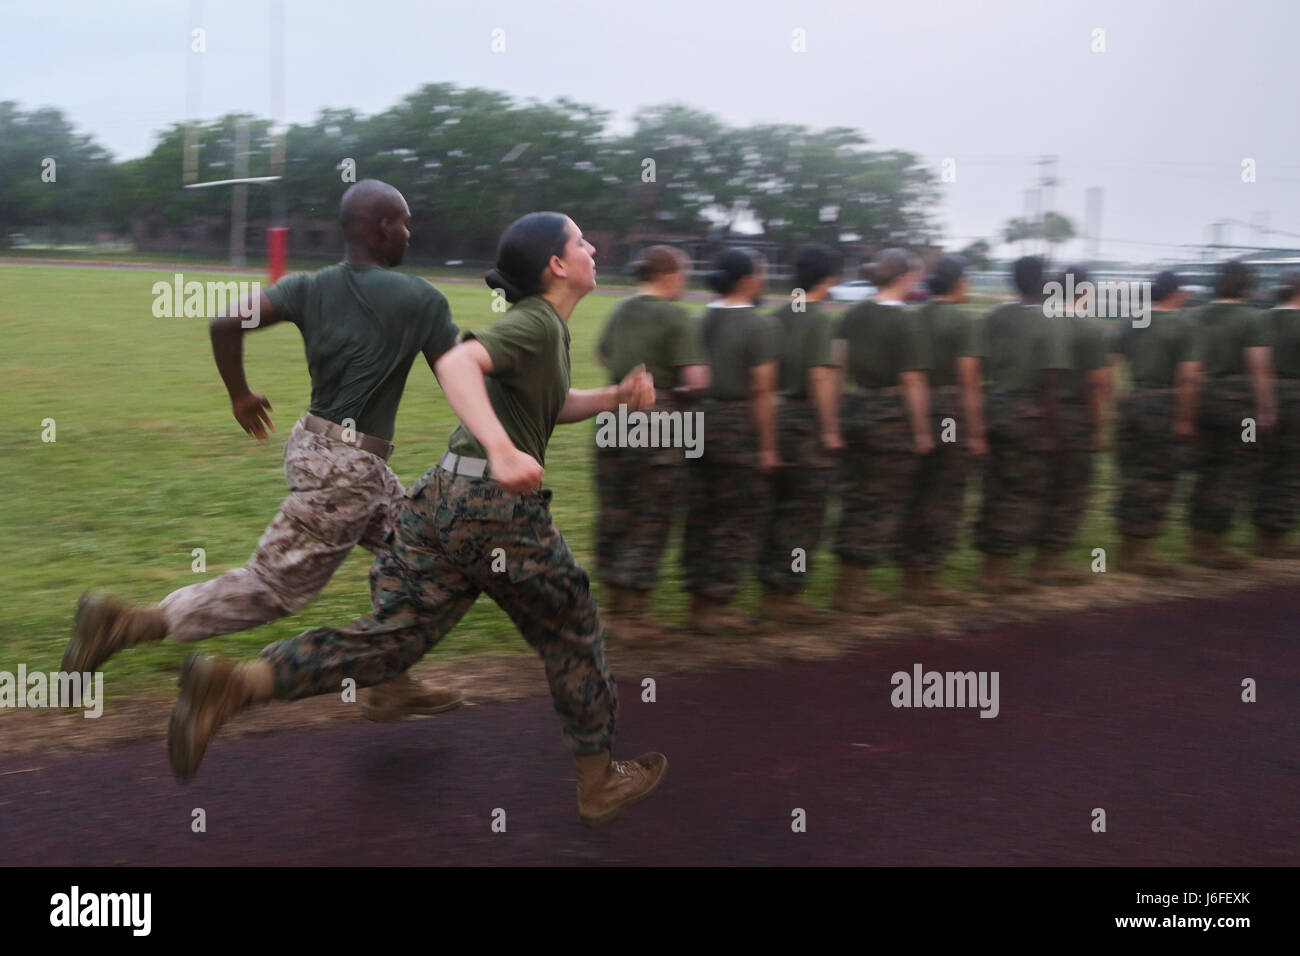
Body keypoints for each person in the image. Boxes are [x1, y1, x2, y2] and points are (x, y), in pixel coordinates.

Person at [165, 212, 668, 828]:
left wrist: (613, 397)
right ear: (557, 266)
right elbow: (457, 365)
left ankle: (235, 686)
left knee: (394, 638)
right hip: (496, 512)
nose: (593, 246)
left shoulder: (545, 329)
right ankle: (598, 783)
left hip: (445, 498)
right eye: (582, 241)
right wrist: (506, 451)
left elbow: (548, 403)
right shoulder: (536, 322)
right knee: (573, 631)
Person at [64, 179, 461, 722]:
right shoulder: (423, 300)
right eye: (405, 223)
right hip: (346, 470)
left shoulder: (306, 287)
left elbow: (225, 321)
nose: (410, 234)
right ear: (383, 227)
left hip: (323, 446)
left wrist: (240, 395)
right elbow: (461, 379)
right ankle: (127, 624)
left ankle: (390, 678)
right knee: (271, 587)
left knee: (416, 550)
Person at [594, 245, 709, 644]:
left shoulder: (622, 308)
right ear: (670, 274)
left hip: (614, 412)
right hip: (661, 421)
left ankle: (611, 609)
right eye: (684, 274)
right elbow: (696, 381)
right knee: (653, 515)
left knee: (616, 511)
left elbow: (601, 353)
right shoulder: (677, 315)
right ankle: (636, 616)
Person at [681, 248, 781, 634]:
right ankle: (715, 605)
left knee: (699, 513)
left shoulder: (698, 319)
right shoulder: (760, 327)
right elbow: (763, 392)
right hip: (736, 426)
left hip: (694, 423)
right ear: (748, 280)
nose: (765, 279)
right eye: (763, 272)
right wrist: (769, 447)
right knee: (734, 516)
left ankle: (696, 599)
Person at [831, 249, 934, 614]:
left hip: (857, 407)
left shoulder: (853, 314)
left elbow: (837, 366)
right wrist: (922, 431)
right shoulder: (905, 322)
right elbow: (913, 380)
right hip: (891, 417)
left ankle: (846, 584)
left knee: (857, 497)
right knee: (882, 501)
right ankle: (854, 591)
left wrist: (836, 415)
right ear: (905, 277)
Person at [973, 255, 1071, 593]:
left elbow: (979, 365)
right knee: (1022, 493)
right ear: (1043, 282)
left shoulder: (995, 316)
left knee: (995, 489)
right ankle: (1001, 573)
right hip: (1029, 412)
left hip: (994, 405)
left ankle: (987, 568)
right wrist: (1053, 428)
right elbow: (1051, 377)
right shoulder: (1051, 319)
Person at [757, 244, 844, 623]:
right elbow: (821, 376)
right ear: (830, 279)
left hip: (774, 416)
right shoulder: (820, 320)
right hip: (806, 422)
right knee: (805, 514)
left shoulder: (775, 315)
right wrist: (830, 430)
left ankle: (767, 588)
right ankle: (786, 595)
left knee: (775, 507)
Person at [897, 255, 986, 604]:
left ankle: (909, 573)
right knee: (945, 491)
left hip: (911, 409)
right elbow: (969, 382)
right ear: (959, 282)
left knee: (916, 490)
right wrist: (977, 432)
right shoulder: (964, 322)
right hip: (948, 414)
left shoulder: (913, 315)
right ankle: (928, 577)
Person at [1112, 271, 1202, 575]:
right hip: (1165, 403)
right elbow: (1189, 376)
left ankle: (1127, 547)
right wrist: (1185, 418)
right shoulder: (1186, 325)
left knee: (1132, 475)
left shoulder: (1134, 319)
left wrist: (1118, 402)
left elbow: (1111, 363)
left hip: (1134, 399)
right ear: (1174, 294)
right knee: (1159, 478)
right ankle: (1141, 553)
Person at [1187, 259, 1275, 568]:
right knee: (1234, 470)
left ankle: (1197, 542)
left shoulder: (1196, 315)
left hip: (1200, 396)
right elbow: (1259, 368)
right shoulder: (1252, 319)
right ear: (1247, 285)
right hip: (1238, 406)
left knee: (1206, 470)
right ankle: (1215, 545)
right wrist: (1265, 409)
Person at [1032, 264, 1111, 585]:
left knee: (1038, 487)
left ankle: (1018, 561)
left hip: (1035, 414)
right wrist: (1099, 428)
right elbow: (1097, 385)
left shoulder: (1039, 322)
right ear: (1083, 292)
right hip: (1074, 417)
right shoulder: (1090, 329)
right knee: (1070, 490)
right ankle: (1050, 563)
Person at [1251, 270, 1300, 557]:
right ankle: (1275, 535)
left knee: (1265, 464)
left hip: (1260, 394)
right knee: (1290, 469)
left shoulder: (1260, 319)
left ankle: (1259, 533)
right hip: (1295, 398)